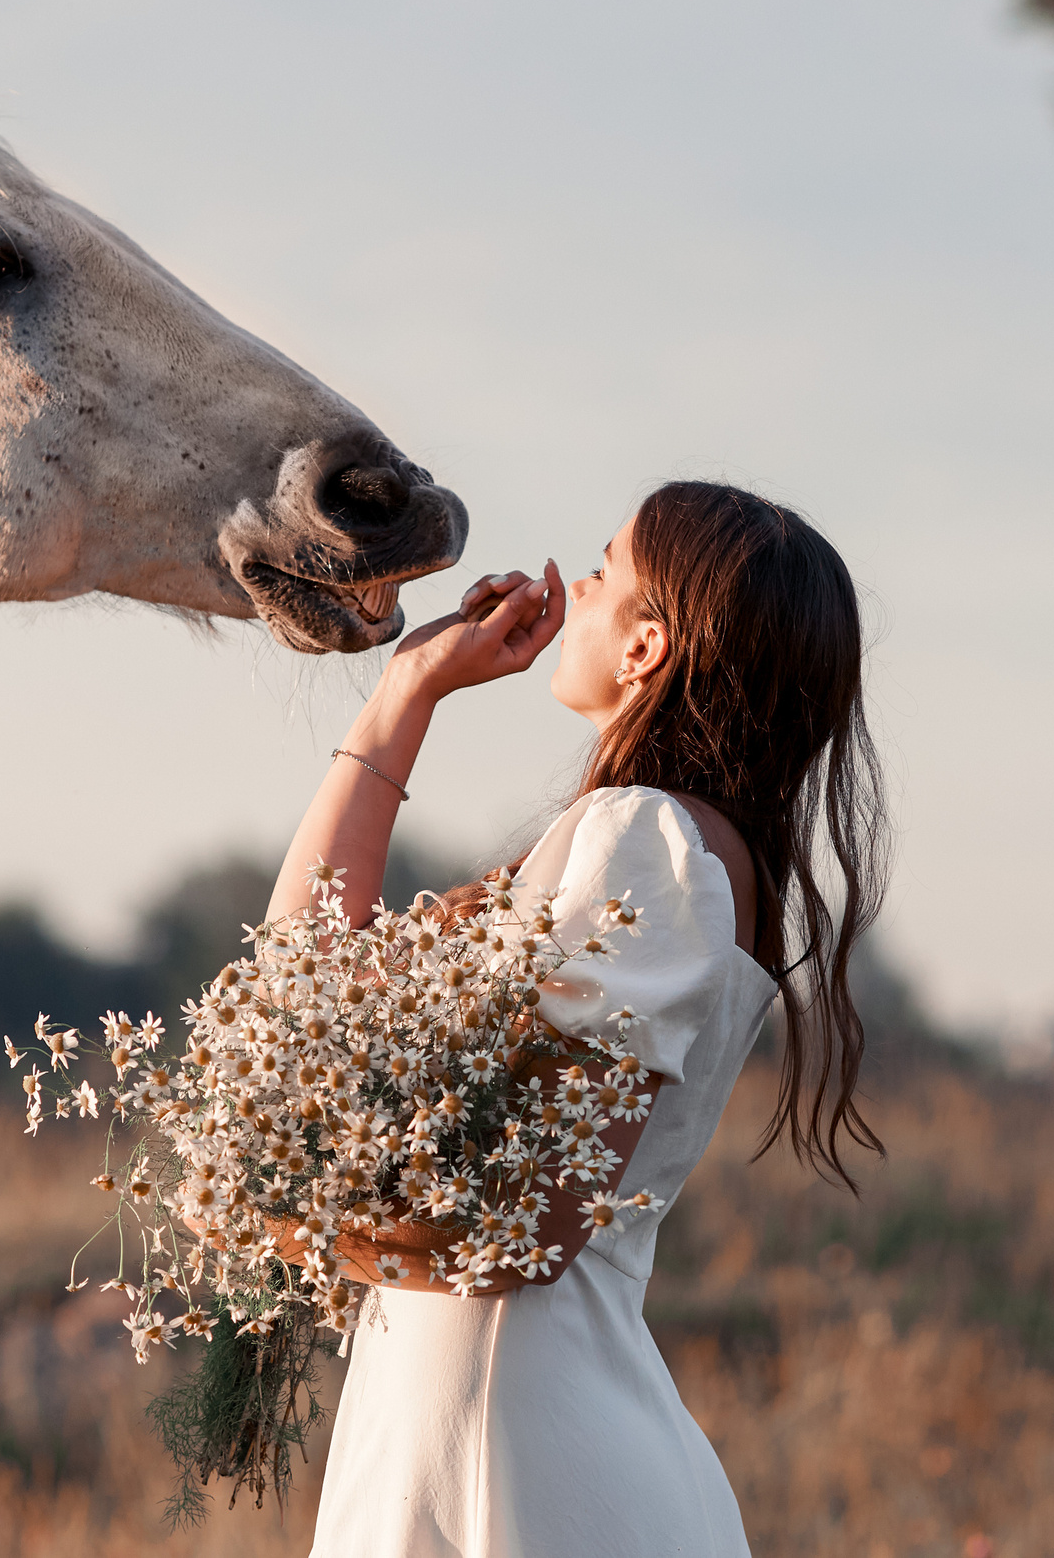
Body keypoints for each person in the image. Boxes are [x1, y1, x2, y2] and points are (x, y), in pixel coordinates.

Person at [267, 480, 889, 1558]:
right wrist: (407, 691)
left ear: (646, 646)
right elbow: (298, 991)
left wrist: (287, 1209)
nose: (578, 583)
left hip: (511, 1444)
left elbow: (529, 1224)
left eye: (605, 569)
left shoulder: (643, 839)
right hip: (491, 1407)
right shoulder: (650, 848)